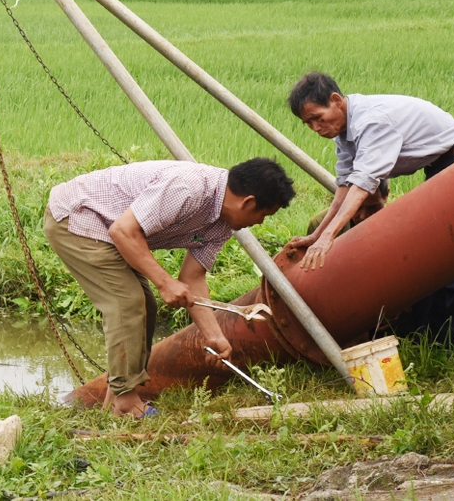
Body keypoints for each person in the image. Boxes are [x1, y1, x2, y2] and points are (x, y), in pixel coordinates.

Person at [45, 158, 295, 417]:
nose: (260, 223)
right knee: (127, 303)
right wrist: (164, 283)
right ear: (249, 202)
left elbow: (193, 277)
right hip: (77, 218)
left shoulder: (223, 223)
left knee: (145, 306)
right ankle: (127, 402)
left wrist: (215, 336)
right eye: (263, 215)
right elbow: (124, 231)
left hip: (111, 230)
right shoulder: (189, 189)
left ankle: (115, 402)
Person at [285, 71, 454, 344]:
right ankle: (430, 340)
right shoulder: (345, 134)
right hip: (439, 169)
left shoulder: (373, 121)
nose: (315, 128)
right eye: (307, 123)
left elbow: (364, 183)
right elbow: (343, 189)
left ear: (336, 100)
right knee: (434, 256)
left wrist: (328, 237)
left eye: (317, 118)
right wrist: (316, 236)